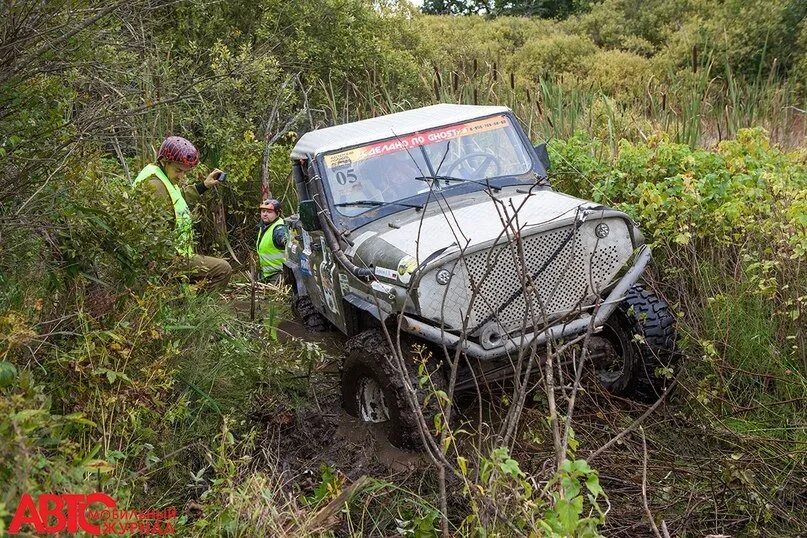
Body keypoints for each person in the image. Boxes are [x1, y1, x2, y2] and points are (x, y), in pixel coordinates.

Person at [132, 136, 232, 291]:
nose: (181, 176)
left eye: (185, 172)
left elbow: (176, 199)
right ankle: (200, 309)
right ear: (164, 161)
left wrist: (204, 185)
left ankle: (189, 307)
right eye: (178, 170)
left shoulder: (162, 177)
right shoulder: (155, 186)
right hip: (166, 259)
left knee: (179, 301)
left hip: (172, 255)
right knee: (223, 269)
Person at [256, 198, 286, 283]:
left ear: (278, 214)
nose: (265, 214)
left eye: (269, 212)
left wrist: (284, 239)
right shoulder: (264, 226)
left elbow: (283, 238)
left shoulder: (279, 228)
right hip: (266, 274)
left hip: (279, 274)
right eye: (263, 211)